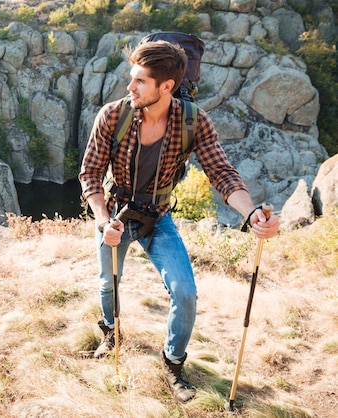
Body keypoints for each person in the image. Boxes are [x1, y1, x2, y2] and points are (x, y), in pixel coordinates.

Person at [78, 39, 280, 403]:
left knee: (185, 293)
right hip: (115, 215)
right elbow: (90, 174)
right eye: (132, 78)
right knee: (109, 284)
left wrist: (251, 214)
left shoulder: (193, 121)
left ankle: (173, 363)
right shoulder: (113, 115)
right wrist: (104, 220)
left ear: (166, 86)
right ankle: (111, 332)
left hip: (157, 216)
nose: (130, 87)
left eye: (140, 81)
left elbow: (221, 172)